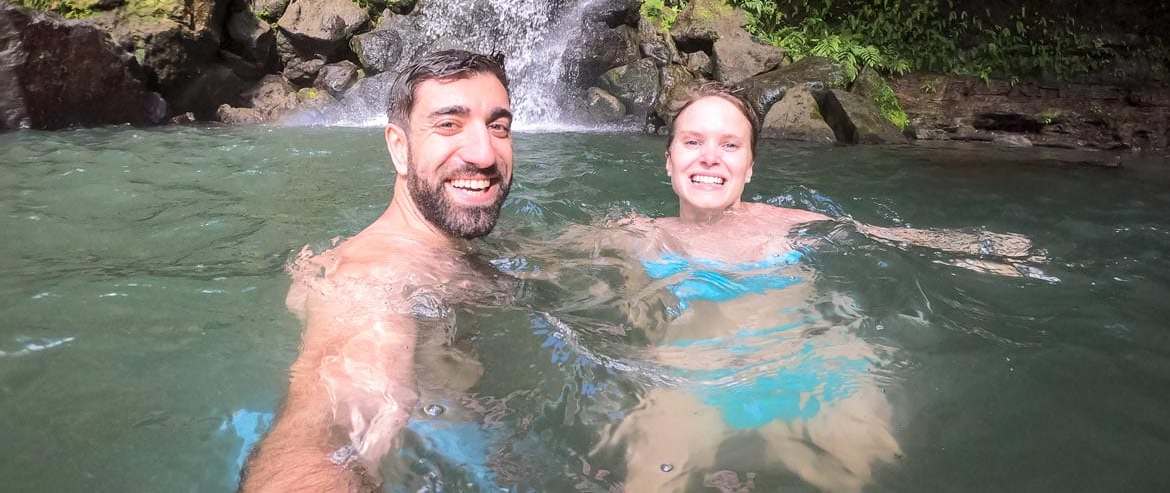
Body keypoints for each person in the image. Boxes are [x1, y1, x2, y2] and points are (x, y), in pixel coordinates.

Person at [593, 81, 1041, 492]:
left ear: (749, 168)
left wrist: (978, 248)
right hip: (687, 378)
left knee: (863, 472)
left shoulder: (786, 224)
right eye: (693, 142)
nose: (710, 157)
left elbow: (886, 236)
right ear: (669, 159)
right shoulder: (633, 234)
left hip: (811, 373)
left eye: (730, 145)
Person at [241, 50, 515, 492]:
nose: (484, 153)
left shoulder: (450, 248)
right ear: (400, 148)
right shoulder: (374, 281)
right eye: (449, 124)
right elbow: (319, 437)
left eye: (498, 127)